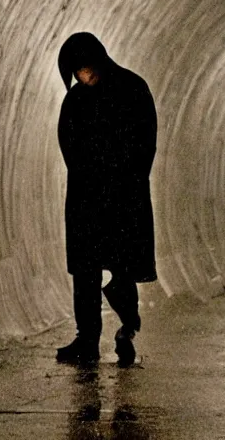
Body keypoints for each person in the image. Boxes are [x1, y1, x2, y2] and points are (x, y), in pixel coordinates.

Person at [55, 32, 157, 367]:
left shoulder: (132, 89)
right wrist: (89, 178)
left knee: (122, 271)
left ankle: (128, 327)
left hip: (123, 198)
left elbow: (145, 143)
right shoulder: (75, 101)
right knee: (85, 274)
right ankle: (87, 340)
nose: (84, 75)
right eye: (78, 71)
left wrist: (123, 179)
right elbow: (68, 146)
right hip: (87, 200)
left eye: (87, 67)